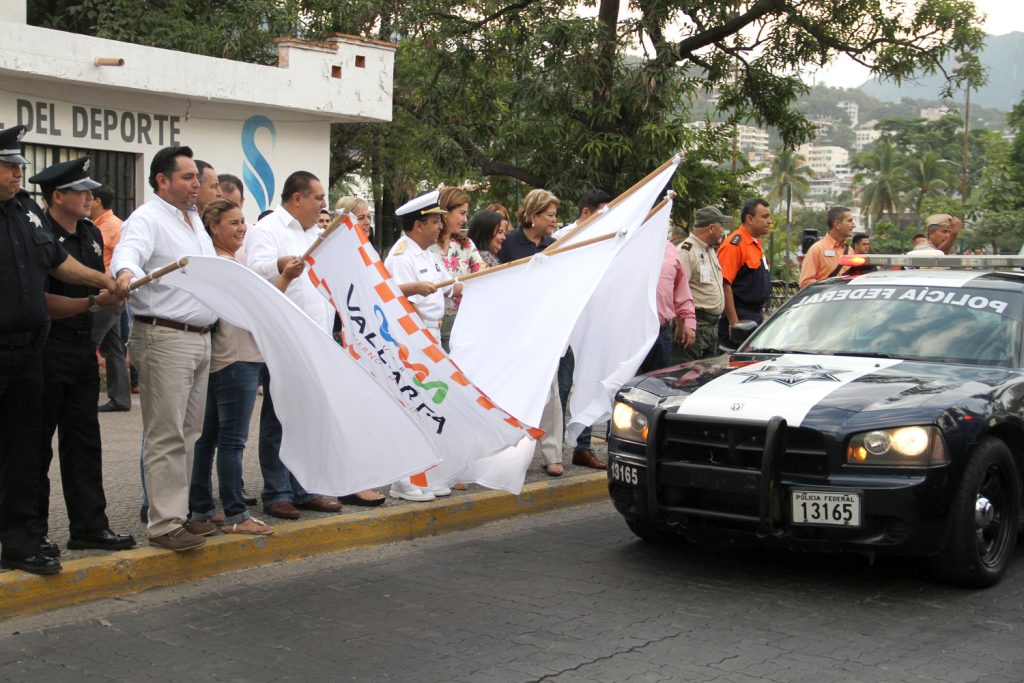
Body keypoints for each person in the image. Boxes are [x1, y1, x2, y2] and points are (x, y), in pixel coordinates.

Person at [0, 126, 119, 575]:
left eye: (19, 166)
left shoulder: (26, 214)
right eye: (10, 165)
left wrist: (102, 280)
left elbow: (57, 262)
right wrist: (96, 292)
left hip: (29, 352)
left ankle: (22, 542)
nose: (18, 173)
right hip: (20, 350)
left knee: (25, 454)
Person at [112, 145, 220, 552]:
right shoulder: (148, 218)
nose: (197, 184)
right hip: (165, 337)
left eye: (197, 178)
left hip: (199, 337)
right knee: (166, 434)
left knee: (189, 432)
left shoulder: (193, 221)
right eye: (189, 177)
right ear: (163, 180)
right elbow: (129, 255)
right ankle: (163, 524)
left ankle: (180, 514)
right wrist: (124, 273)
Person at [29, 156, 136, 554]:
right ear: (58, 196)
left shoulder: (90, 234)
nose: (90, 197)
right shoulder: (38, 236)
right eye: (81, 191)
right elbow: (41, 301)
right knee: (35, 447)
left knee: (84, 443)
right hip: (46, 347)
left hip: (81, 349)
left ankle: (89, 525)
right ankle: (33, 532)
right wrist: (94, 300)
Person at [188, 199, 301, 536]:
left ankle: (201, 509)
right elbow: (258, 312)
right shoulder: (226, 265)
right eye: (234, 223)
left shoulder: (229, 261)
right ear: (214, 227)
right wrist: (286, 277)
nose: (242, 229)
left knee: (206, 439)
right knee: (232, 442)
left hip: (226, 356)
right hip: (238, 357)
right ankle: (236, 515)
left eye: (243, 222)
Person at [245, 171, 343, 520]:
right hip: (283, 337)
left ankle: (304, 488)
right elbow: (252, 272)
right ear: (297, 198)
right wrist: (279, 264)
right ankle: (277, 491)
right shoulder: (269, 230)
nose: (323, 205)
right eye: (318, 198)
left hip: (315, 337)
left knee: (306, 418)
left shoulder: (315, 233)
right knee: (279, 416)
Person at [384, 190, 462, 501]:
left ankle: (424, 474)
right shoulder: (402, 255)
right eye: (434, 221)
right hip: (412, 339)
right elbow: (401, 303)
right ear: (418, 224)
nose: (440, 227)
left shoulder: (426, 254)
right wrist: (419, 343)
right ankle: (402, 479)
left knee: (429, 407)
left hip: (430, 335)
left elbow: (449, 287)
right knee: (410, 406)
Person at [496, 189, 567, 475]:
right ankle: (512, 455)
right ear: (533, 215)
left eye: (555, 215)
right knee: (514, 392)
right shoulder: (508, 243)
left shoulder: (556, 245)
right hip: (513, 330)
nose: (554, 220)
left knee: (551, 394)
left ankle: (553, 454)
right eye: (549, 215)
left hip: (545, 328)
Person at [557, 189, 611, 472]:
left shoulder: (607, 240)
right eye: (601, 213)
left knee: (589, 383)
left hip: (593, 326)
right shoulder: (562, 239)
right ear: (586, 212)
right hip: (565, 330)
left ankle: (583, 447)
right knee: (561, 388)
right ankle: (553, 451)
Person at [90, 185, 131, 412]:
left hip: (107, 295)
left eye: (89, 197)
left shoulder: (113, 226)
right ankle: (120, 398)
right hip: (106, 294)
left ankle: (81, 394)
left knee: (89, 342)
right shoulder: (97, 225)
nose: (86, 200)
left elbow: (122, 260)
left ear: (97, 201)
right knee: (113, 347)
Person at [717, 198, 772, 350]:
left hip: (755, 317)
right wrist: (734, 324)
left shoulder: (755, 243)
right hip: (740, 319)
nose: (769, 221)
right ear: (749, 219)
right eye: (765, 216)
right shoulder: (734, 245)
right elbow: (724, 283)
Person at [677, 206, 728, 362]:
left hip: (711, 327)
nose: (723, 230)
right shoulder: (686, 251)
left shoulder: (710, 250)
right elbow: (678, 291)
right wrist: (683, 325)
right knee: (687, 378)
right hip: (695, 327)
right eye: (721, 225)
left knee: (706, 377)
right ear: (711, 228)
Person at [798, 206, 855, 288]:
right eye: (850, 221)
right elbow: (805, 283)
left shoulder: (850, 251)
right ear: (837, 224)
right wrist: (830, 288)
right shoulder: (817, 249)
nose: (853, 225)